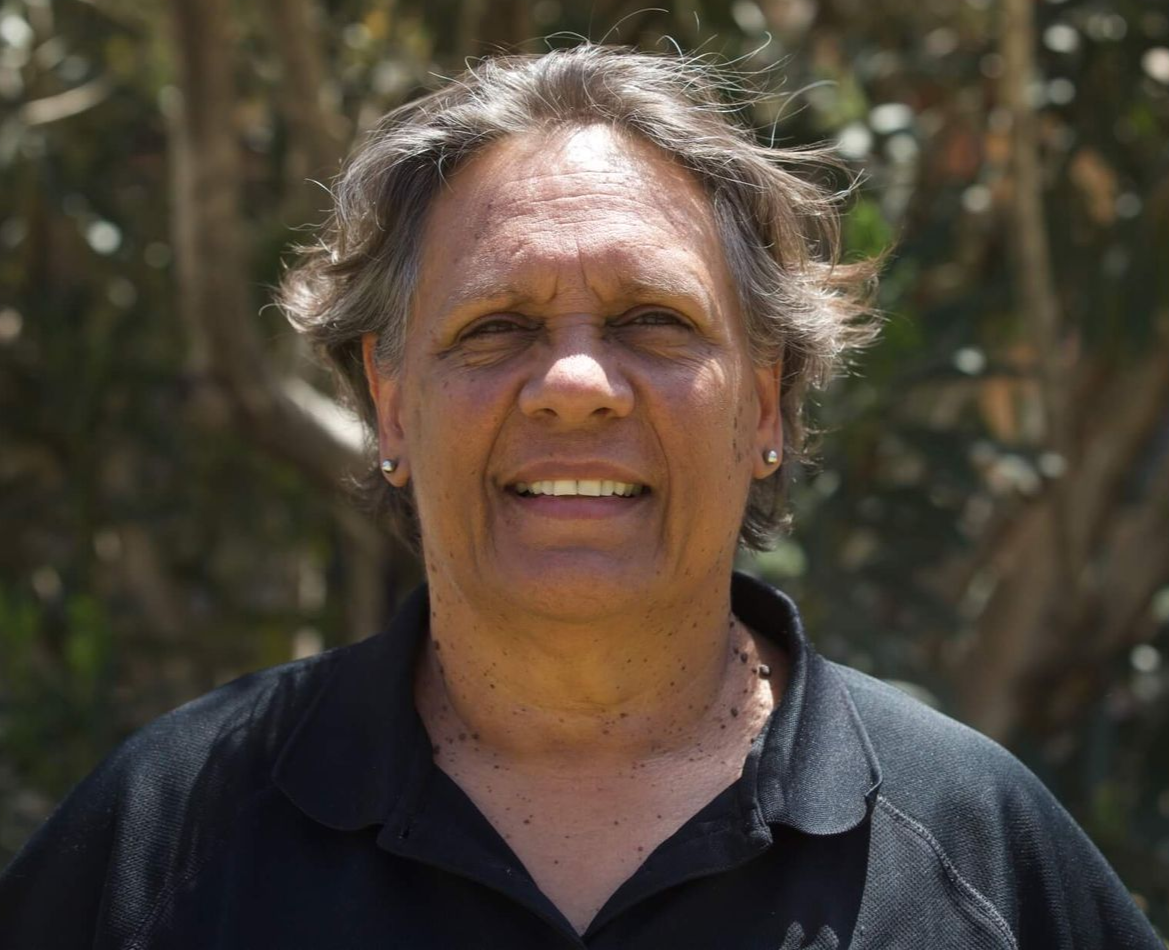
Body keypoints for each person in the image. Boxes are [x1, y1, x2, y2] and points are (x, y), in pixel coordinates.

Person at [0, 46, 1161, 949]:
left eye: (650, 322)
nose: (570, 385)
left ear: (764, 405)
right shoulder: (163, 837)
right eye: (494, 325)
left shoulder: (973, 848)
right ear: (392, 402)